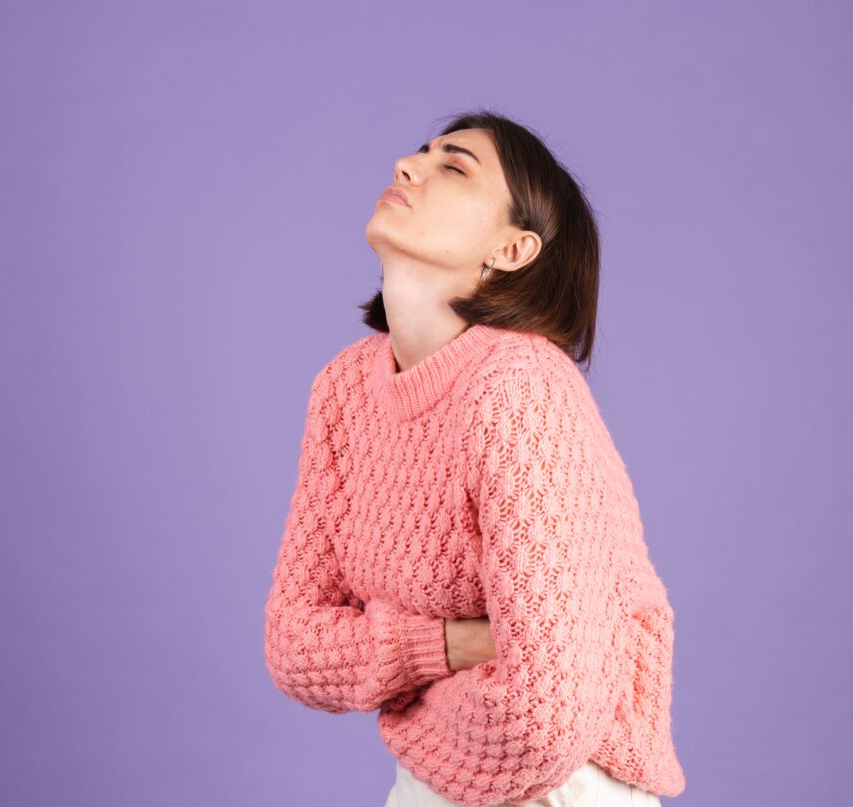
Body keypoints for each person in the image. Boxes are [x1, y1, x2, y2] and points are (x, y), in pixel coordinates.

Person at [263, 108, 686, 806]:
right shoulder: (344, 390)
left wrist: (410, 705)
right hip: (431, 781)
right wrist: (451, 646)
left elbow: (548, 715)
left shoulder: (519, 387)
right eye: (419, 153)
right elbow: (295, 646)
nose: (406, 166)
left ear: (513, 250)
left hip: (564, 786)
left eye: (454, 166)